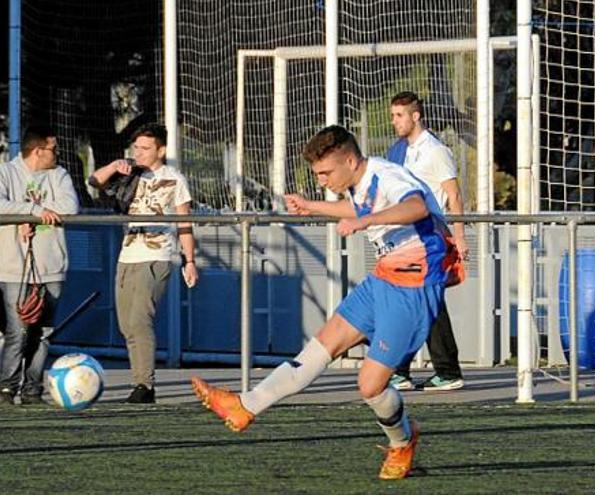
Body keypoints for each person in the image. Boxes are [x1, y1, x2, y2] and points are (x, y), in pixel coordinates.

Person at [191, 125, 458, 480]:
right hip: (384, 275)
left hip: (413, 284)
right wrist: (312, 206)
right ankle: (244, 406)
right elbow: (357, 204)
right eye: (317, 175)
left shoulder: (387, 174)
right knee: (321, 346)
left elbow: (416, 206)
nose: (322, 180)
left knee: (370, 385)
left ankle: (401, 442)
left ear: (349, 159)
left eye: (326, 173)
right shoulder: (362, 179)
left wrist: (364, 222)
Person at [89, 123, 198, 404]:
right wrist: (115, 165)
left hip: (156, 256)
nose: (138, 153)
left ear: (160, 150)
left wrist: (190, 260)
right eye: (136, 147)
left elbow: (184, 221)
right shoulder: (129, 174)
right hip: (127, 256)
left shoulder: (174, 178)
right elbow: (94, 181)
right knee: (127, 325)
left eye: (145, 148)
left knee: (140, 319)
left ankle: (145, 385)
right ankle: (138, 381)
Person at [0, 124, 79, 405]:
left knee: (44, 331)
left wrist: (32, 217)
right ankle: (6, 387)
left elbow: (69, 206)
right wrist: (33, 212)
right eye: (53, 149)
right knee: (18, 329)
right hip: (15, 265)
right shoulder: (4, 173)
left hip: (52, 264)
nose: (57, 153)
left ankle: (32, 389)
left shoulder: (59, 175)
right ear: (38, 151)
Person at [385, 91, 467, 392]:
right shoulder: (400, 151)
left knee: (421, 301)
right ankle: (408, 370)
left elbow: (454, 196)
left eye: (399, 115)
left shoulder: (435, 150)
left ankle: (444, 370)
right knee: (415, 302)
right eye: (393, 115)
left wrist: (459, 237)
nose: (394, 121)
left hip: (429, 237)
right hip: (407, 238)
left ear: (415, 116)